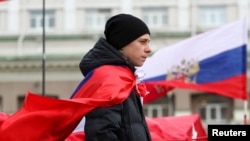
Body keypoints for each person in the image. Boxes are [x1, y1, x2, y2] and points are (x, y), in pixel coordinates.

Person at [75, 13, 152, 141]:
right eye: (142, 42)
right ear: (122, 43)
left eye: (148, 42)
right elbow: (101, 133)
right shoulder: (112, 79)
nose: (149, 49)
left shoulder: (122, 75)